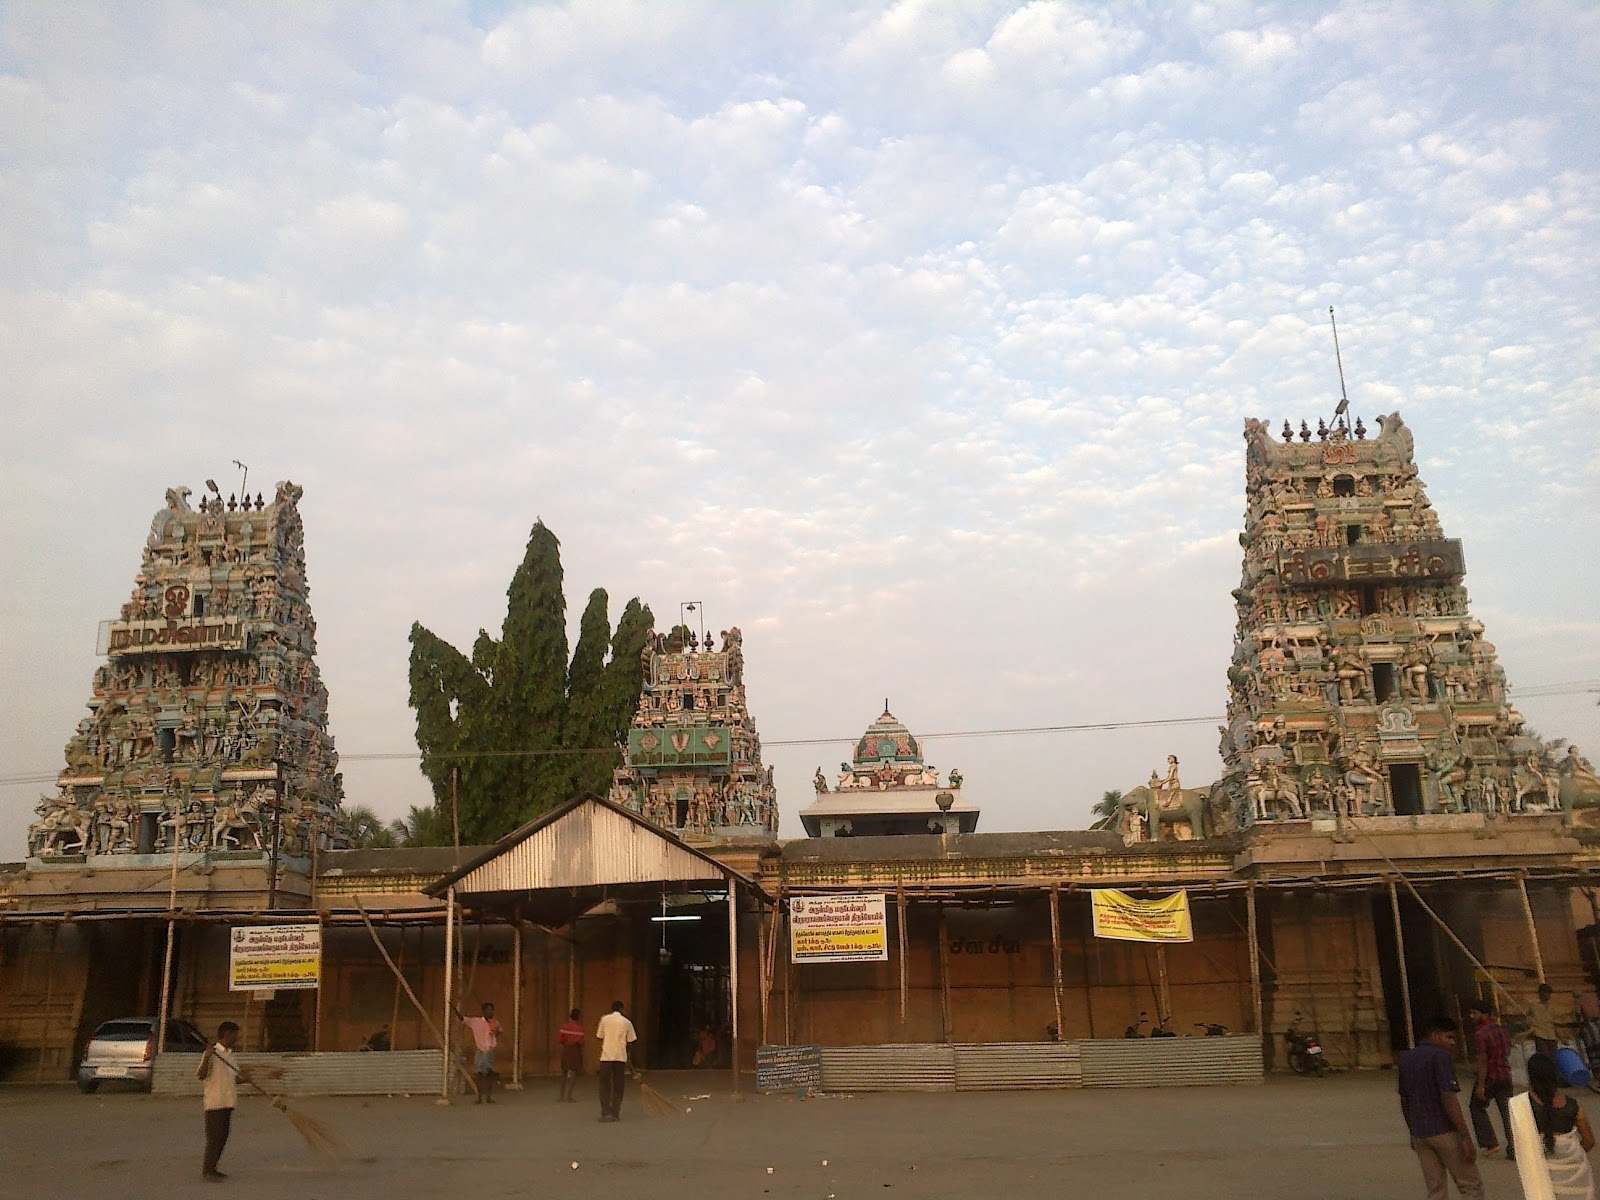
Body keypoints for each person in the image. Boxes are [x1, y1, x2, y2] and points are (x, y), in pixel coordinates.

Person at [1398, 1015, 1482, 1199]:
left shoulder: (1406, 1058)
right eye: (1449, 1037)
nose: (1452, 1043)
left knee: (1436, 1190)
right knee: (1470, 1185)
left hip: (1420, 1133)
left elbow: (1405, 1099)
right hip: (1444, 1131)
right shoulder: (1441, 1057)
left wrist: (1412, 1131)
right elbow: (1448, 1098)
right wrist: (1465, 1136)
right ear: (1436, 1035)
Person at [1526, 1051, 1597, 1198]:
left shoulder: (1524, 1106)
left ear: (1531, 1077)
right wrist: (1569, 1156)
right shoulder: (1573, 1105)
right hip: (1576, 1174)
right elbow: (1589, 1141)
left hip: (1542, 1174)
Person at [196, 1020, 253, 1182]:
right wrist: (207, 1058)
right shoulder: (211, 1053)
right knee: (215, 1138)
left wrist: (245, 1079)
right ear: (227, 1034)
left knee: (222, 1137)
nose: (237, 1038)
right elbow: (201, 1075)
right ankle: (208, 1170)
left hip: (228, 1101)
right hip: (215, 1102)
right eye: (235, 1035)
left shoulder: (230, 1055)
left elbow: (232, 1078)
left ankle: (213, 1168)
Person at [1468, 1000, 1515, 1160]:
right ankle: (1514, 1148)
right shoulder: (1501, 1030)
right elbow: (1508, 1050)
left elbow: (1482, 1060)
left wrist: (1480, 1085)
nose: (1472, 1016)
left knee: (1476, 1106)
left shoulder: (1480, 1034)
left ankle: (1490, 1142)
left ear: (1484, 1014)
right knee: (1507, 1113)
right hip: (1505, 1075)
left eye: (1475, 1013)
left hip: (1490, 1076)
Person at [596, 1000, 638, 1122]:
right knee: (618, 1085)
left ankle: (605, 1112)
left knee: (604, 1085)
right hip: (620, 1057)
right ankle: (615, 1112)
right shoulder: (627, 1022)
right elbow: (631, 1040)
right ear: (622, 1009)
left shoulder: (604, 1019)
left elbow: (600, 1036)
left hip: (606, 1057)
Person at [455, 1000, 502, 1104]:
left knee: (487, 1074)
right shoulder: (476, 1021)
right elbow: (463, 1019)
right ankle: (480, 1097)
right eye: (489, 1010)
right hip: (480, 1050)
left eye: (492, 1010)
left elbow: (499, 1033)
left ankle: (488, 1097)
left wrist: (496, 1031)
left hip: (490, 1050)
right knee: (480, 1074)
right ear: (484, 1011)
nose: (491, 1012)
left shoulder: (495, 1022)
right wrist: (455, 1010)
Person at [558, 1008, 585, 1103]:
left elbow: (560, 1040)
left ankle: (561, 1096)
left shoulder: (564, 1027)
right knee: (573, 1073)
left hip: (566, 1049)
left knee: (564, 1073)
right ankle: (569, 1096)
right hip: (575, 1051)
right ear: (578, 1017)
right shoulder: (580, 1029)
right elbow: (582, 1042)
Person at [1528, 984, 1562, 1057]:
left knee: (1554, 1058)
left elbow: (1554, 1023)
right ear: (1541, 993)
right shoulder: (1533, 1006)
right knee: (1544, 1058)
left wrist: (1561, 1037)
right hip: (1540, 1035)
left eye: (1549, 993)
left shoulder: (1552, 1007)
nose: (1548, 995)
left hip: (1551, 1036)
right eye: (1546, 993)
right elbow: (1528, 1019)